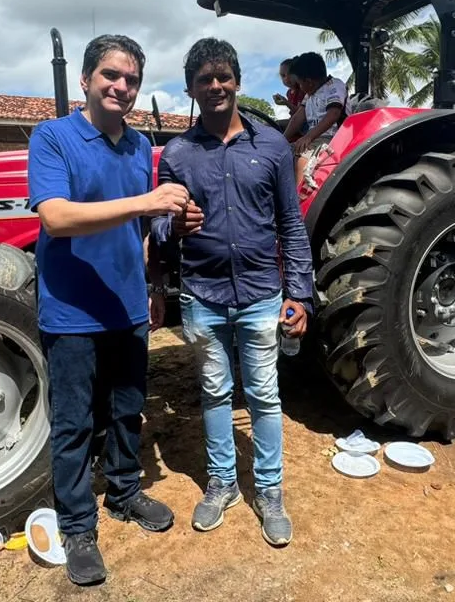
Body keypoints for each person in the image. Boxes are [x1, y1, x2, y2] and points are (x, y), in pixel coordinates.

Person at [27, 34, 185, 587]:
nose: (121, 87)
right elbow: (57, 218)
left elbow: (141, 231)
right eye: (111, 76)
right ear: (87, 81)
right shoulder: (53, 137)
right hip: (71, 311)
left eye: (131, 80)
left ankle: (123, 492)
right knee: (73, 423)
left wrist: (155, 281)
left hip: (127, 306)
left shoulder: (140, 147)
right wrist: (148, 201)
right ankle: (77, 526)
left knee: (126, 411)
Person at [148, 38, 311, 547]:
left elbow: (291, 223)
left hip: (263, 292)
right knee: (215, 393)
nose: (215, 86)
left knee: (263, 394)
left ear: (237, 81)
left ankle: (269, 490)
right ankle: (222, 484)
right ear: (191, 89)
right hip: (203, 294)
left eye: (223, 77)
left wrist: (301, 295)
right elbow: (156, 224)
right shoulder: (177, 153)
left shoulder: (272, 147)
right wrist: (170, 227)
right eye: (204, 79)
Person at [281, 52, 350, 184]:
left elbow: (333, 114)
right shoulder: (309, 95)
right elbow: (297, 118)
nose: (300, 87)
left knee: (302, 160)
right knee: (280, 155)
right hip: (314, 138)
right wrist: (281, 140)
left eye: (300, 83)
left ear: (309, 82)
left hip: (333, 138)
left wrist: (308, 137)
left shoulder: (334, 86)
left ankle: (299, 202)